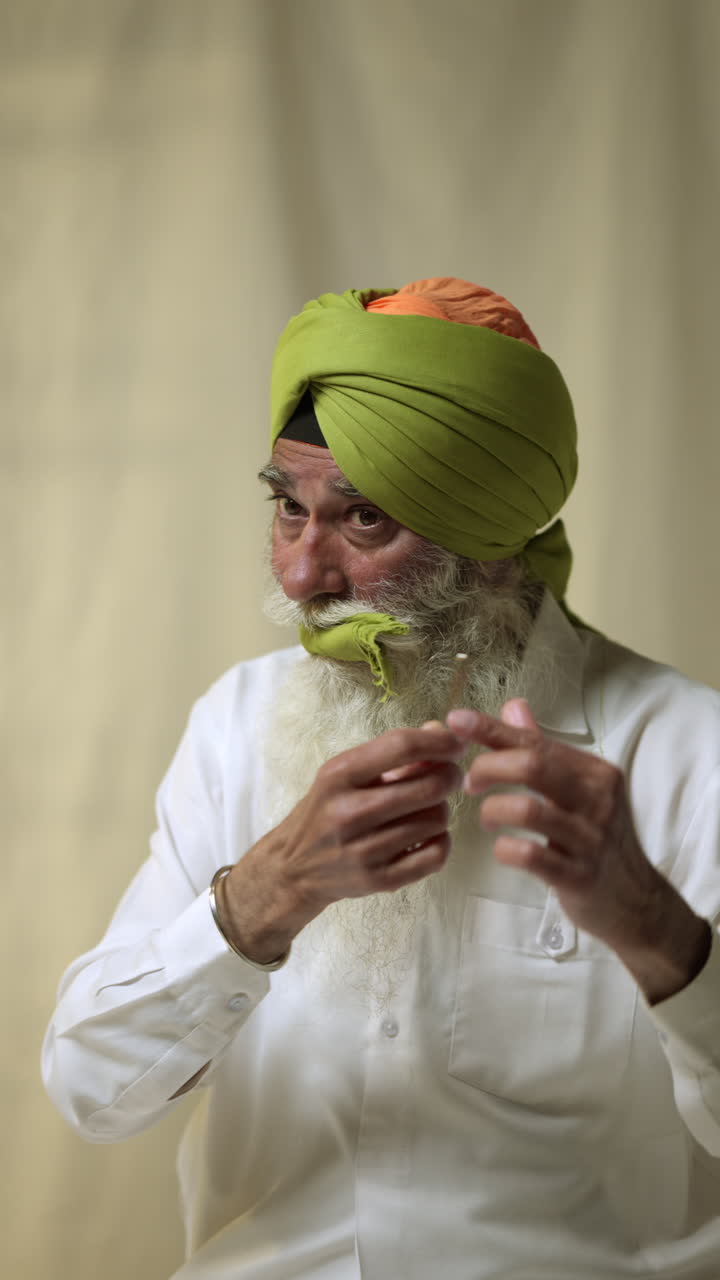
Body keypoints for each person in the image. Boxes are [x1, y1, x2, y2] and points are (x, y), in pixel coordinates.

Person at [43, 278, 720, 1280]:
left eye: (362, 520)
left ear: (492, 545)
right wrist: (262, 899)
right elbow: (92, 1088)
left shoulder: (685, 750)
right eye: (286, 508)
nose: (301, 574)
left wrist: (656, 927)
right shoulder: (238, 723)